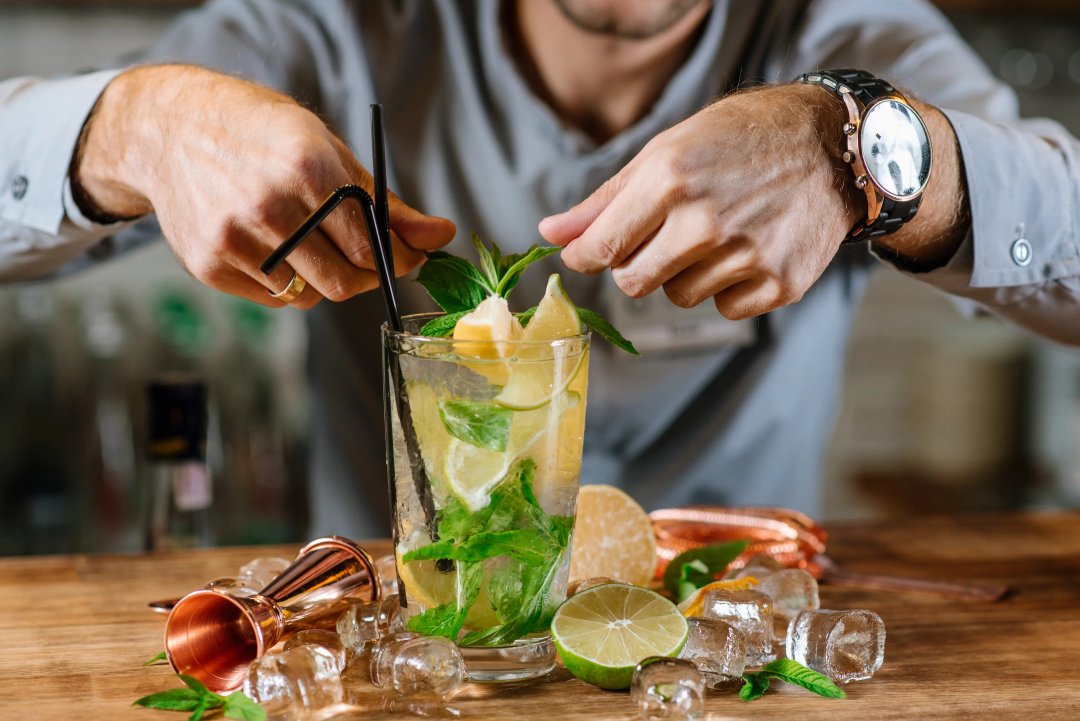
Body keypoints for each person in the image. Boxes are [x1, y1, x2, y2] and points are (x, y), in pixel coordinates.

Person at [1, 0, 1078, 538]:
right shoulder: (330, 32)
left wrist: (878, 154)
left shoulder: (849, 33)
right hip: (406, 663)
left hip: (735, 663)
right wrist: (132, 126)